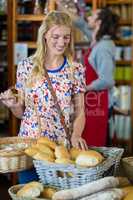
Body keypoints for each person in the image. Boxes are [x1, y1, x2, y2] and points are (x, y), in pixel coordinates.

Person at [0, 11, 87, 183]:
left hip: (60, 150)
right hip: (31, 148)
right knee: (29, 192)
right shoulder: (26, 67)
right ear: (45, 35)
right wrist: (13, 104)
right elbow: (21, 114)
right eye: (55, 36)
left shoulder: (75, 69)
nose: (61, 42)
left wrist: (76, 134)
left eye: (66, 37)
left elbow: (80, 112)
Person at [57, 3, 120, 146]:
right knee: (88, 140)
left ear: (99, 22)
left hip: (99, 102)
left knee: (95, 144)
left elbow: (107, 80)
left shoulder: (104, 47)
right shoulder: (97, 38)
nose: (88, 17)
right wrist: (60, 4)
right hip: (93, 100)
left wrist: (83, 88)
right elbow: (79, 23)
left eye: (92, 15)